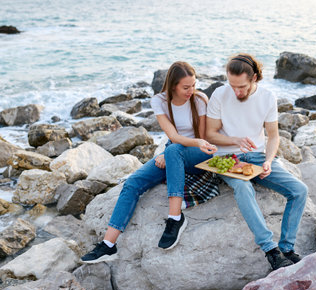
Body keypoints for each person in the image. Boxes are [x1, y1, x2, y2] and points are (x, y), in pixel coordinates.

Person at [81, 61, 217, 263]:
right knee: (133, 183)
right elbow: (172, 134)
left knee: (173, 151)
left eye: (194, 85)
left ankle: (175, 218)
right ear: (173, 86)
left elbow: (203, 138)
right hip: (174, 149)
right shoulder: (159, 101)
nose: (192, 91)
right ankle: (108, 245)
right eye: (186, 87)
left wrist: (172, 151)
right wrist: (169, 152)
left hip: (201, 153)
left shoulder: (200, 100)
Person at [206, 53, 308, 271]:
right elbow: (210, 134)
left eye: (241, 86)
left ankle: (287, 248)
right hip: (226, 158)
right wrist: (234, 140)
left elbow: (273, 136)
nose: (236, 91)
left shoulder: (267, 97)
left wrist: (269, 161)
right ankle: (271, 251)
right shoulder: (219, 94)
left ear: (254, 79)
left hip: (258, 157)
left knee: (299, 190)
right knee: (243, 187)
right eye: (232, 85)